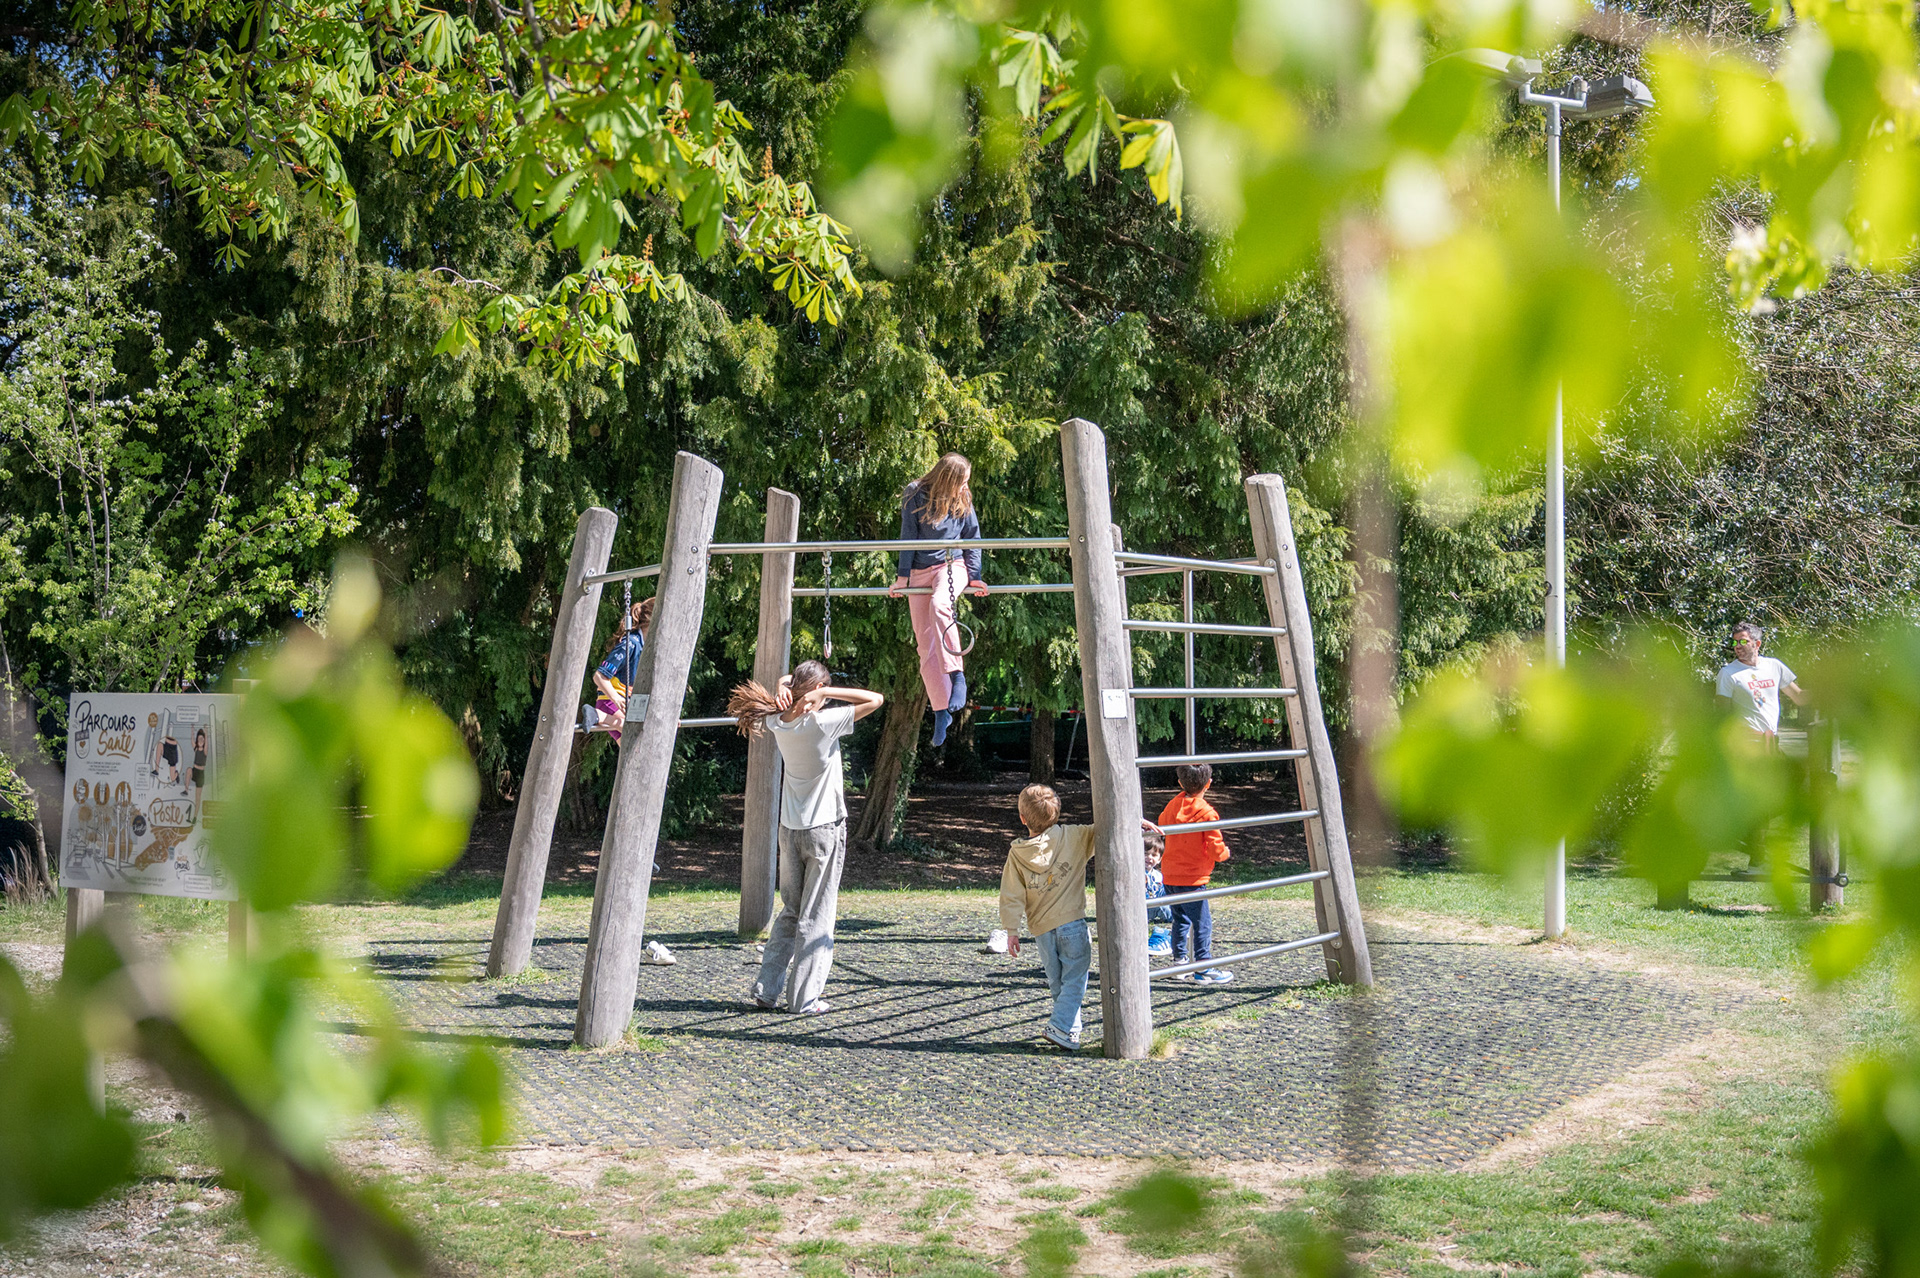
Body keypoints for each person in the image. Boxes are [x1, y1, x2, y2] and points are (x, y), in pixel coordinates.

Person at [729, 660, 885, 1013]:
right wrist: (826, 692)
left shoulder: (777, 721)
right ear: (817, 692)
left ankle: (767, 989)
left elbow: (788, 681)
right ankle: (803, 998)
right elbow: (875, 699)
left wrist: (787, 686)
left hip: (790, 830)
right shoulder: (822, 722)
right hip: (824, 829)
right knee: (817, 913)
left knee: (792, 910)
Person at [998, 783, 1161, 1050]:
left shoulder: (1017, 854)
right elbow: (1106, 829)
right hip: (1072, 922)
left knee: (1058, 982)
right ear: (1057, 813)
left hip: (1041, 929)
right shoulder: (1073, 836)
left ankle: (1069, 1032)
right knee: (1075, 979)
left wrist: (1011, 929)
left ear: (1022, 818)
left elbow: (1011, 894)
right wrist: (1134, 821)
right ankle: (1061, 1026)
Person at [888, 453, 989, 749]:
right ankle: (941, 711)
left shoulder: (963, 497)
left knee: (941, 605)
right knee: (925, 644)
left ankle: (958, 676)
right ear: (947, 479)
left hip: (951, 565)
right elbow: (908, 536)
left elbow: (973, 536)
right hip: (920, 570)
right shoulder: (915, 492)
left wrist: (974, 575)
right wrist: (903, 579)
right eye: (961, 482)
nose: (964, 487)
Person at [1715, 620, 1807, 871]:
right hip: (1747, 741)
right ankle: (1756, 858)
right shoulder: (1728, 673)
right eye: (1734, 642)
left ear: (1757, 643)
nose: (1737, 646)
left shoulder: (1774, 666)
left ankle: (1744, 835)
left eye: (1743, 641)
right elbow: (1721, 713)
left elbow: (1798, 697)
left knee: (1797, 783)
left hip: (1770, 742)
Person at [1156, 763, 1234, 984]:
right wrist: (1224, 854)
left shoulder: (1172, 806)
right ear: (1208, 784)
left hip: (1170, 875)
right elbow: (1215, 846)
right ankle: (1203, 966)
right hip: (1193, 878)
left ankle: (1179, 962)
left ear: (1180, 783)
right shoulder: (1207, 813)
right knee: (1202, 922)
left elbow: (1162, 823)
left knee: (1180, 919)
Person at [589, 597, 655, 741]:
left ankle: (600, 716)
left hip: (627, 708)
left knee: (636, 754)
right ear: (651, 617)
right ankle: (599, 715)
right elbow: (599, 676)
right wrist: (617, 699)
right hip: (610, 703)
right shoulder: (631, 643)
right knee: (633, 731)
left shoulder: (647, 647)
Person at [1144, 825, 1173, 957]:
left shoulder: (1157, 875)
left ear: (1160, 858)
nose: (1149, 858)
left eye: (1154, 855)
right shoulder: (1137, 872)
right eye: (1146, 854)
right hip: (1144, 907)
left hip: (1156, 903)